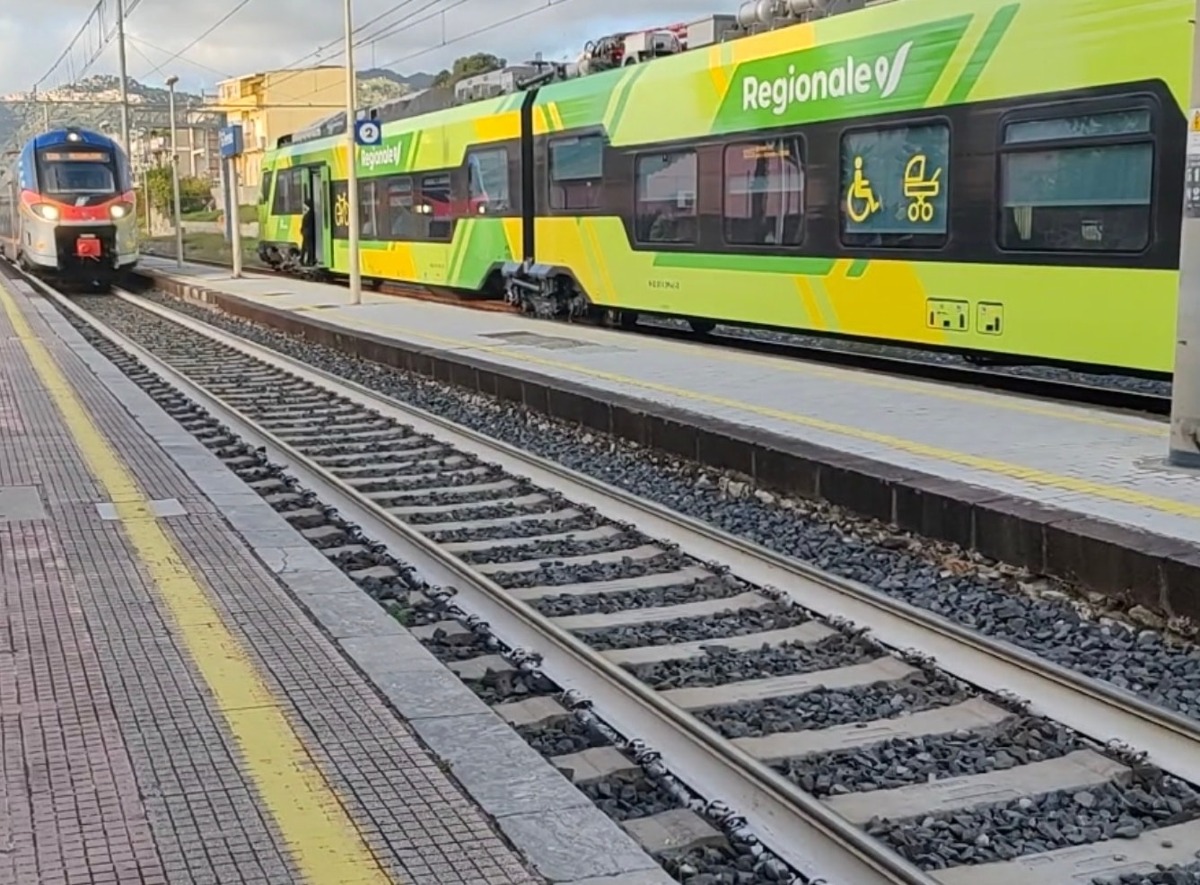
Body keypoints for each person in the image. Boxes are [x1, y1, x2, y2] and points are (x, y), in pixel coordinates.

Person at [299, 197, 316, 266]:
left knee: (306, 247)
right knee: (308, 247)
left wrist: (302, 230)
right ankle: (307, 260)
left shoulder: (308, 214)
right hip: (308, 233)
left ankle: (304, 260)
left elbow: (304, 224)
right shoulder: (312, 213)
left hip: (306, 233)